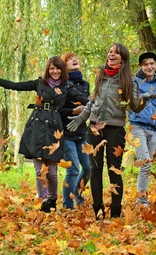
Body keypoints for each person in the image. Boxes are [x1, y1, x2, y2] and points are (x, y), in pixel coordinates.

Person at [0, 56, 88, 212]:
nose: (55, 71)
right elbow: (16, 86)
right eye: (52, 69)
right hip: (37, 126)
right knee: (39, 171)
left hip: (54, 129)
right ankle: (42, 201)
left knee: (52, 173)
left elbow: (84, 100)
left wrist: (99, 104)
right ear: (48, 70)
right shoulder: (39, 83)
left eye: (58, 69)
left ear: (62, 71)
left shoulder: (68, 87)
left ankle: (52, 199)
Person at [66, 43, 147, 219]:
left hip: (115, 129)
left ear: (123, 58)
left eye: (116, 53)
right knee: (95, 170)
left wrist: (143, 99)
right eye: (110, 51)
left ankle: (116, 213)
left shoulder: (129, 80)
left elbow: (134, 107)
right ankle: (98, 211)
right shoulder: (101, 75)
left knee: (113, 170)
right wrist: (82, 118)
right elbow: (93, 100)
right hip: (94, 127)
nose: (111, 54)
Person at [128, 51, 156, 207]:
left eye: (152, 63)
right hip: (138, 126)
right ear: (141, 66)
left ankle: (142, 198)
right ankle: (142, 200)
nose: (149, 67)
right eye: (145, 64)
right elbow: (129, 104)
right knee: (145, 162)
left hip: (154, 129)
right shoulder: (134, 82)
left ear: (155, 65)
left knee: (148, 164)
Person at [60, 52, 91, 209]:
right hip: (66, 133)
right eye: (70, 59)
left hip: (82, 132)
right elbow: (57, 109)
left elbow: (90, 106)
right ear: (64, 65)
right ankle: (67, 205)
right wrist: (73, 111)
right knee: (72, 169)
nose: (74, 60)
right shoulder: (61, 84)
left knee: (88, 167)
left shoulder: (85, 84)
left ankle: (77, 193)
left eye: (76, 58)